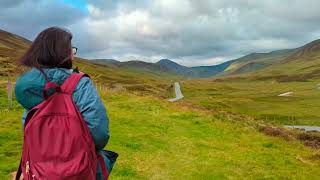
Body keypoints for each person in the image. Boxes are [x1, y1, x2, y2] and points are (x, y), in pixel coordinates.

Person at [14, 27, 117, 179]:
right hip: (78, 169)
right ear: (62, 53)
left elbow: (27, 127)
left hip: (38, 170)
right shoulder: (80, 84)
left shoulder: (29, 86)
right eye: (71, 50)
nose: (73, 55)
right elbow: (100, 132)